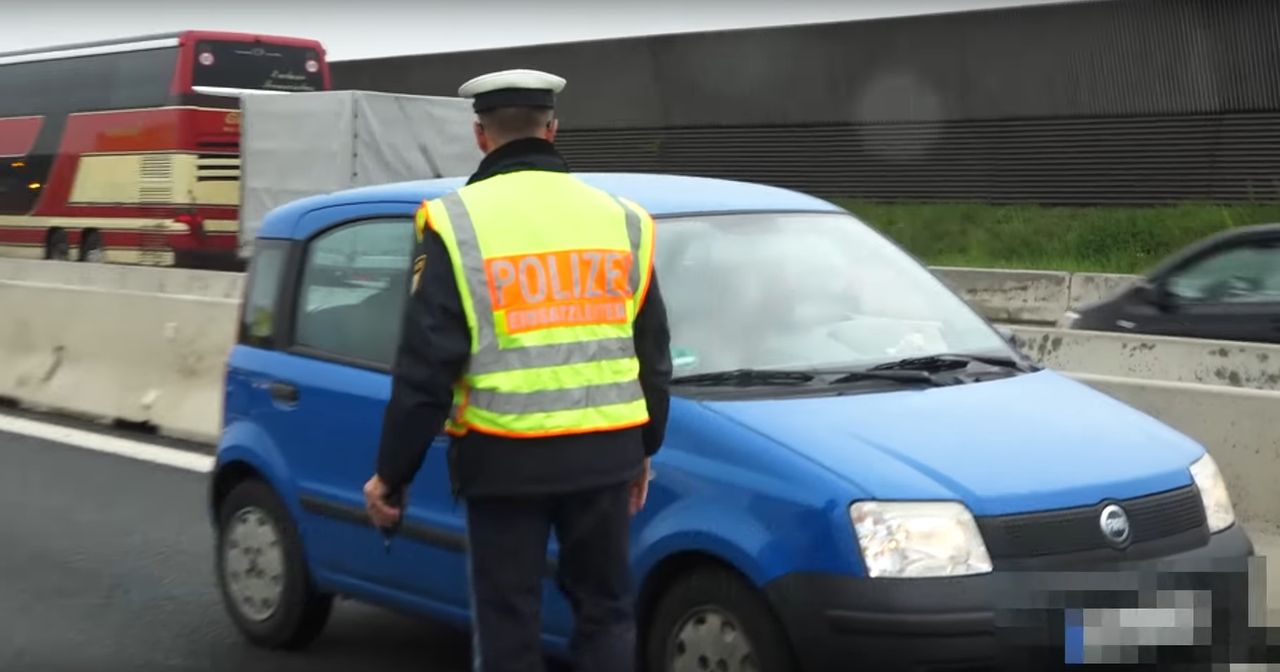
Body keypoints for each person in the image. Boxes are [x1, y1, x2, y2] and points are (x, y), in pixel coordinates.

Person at [362, 68, 673, 672]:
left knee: (509, 622)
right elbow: (652, 352)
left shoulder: (453, 221)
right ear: (553, 130)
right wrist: (644, 447)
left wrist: (391, 476)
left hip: (503, 460)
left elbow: (426, 365)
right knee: (607, 614)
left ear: (480, 136)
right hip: (605, 456)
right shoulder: (626, 221)